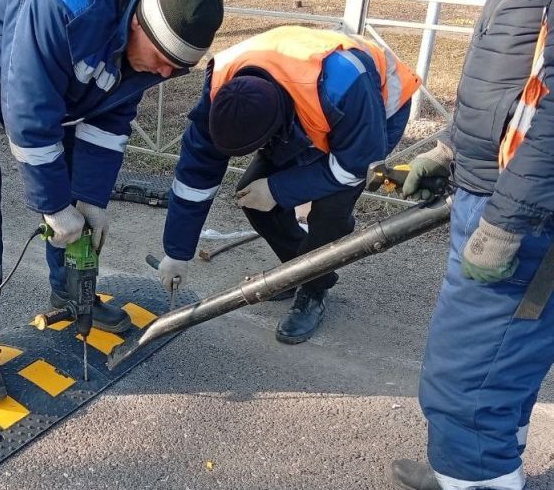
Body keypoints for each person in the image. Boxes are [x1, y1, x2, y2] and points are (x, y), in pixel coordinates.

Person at [0, 0, 224, 403]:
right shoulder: (60, 0)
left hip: (40, 79)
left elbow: (110, 117)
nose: (166, 75)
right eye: (164, 61)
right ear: (138, 22)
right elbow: (29, 115)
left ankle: (71, 295)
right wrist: (53, 205)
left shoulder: (152, 34)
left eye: (177, 69)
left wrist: (90, 200)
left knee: (80, 205)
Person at [390, 0, 554, 488]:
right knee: (503, 368)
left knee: (468, 381)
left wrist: (510, 219)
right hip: (500, 191)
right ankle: (479, 471)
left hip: (525, 210)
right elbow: (508, 73)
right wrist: (452, 147)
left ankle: (475, 479)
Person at [156, 25, 420, 344]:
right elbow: (196, 173)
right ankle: (296, 272)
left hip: (373, 112)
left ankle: (313, 290)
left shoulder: (344, 83)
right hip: (308, 107)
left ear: (279, 128)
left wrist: (278, 189)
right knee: (253, 196)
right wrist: (177, 251)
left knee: (329, 213)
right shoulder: (221, 87)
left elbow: (355, 167)